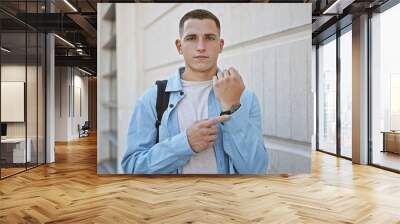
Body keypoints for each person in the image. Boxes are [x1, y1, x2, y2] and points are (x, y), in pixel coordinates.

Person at [121, 9, 268, 174]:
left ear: (220, 45)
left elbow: (257, 170)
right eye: (191, 38)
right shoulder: (152, 99)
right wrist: (185, 144)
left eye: (209, 38)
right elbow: (132, 168)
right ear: (179, 46)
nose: (201, 47)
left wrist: (232, 107)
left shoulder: (245, 98)